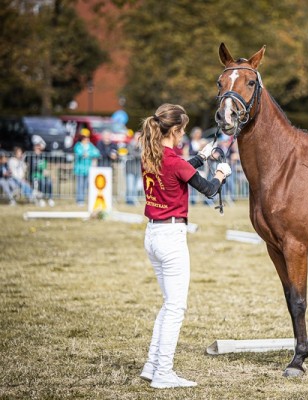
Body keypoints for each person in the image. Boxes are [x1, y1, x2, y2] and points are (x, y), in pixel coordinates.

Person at [139, 103, 231, 389]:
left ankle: (152, 365)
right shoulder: (173, 160)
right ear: (176, 130)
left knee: (169, 305)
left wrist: (200, 158)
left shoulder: (153, 155)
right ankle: (163, 373)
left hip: (154, 235)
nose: (182, 136)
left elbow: (178, 171)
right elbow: (208, 189)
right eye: (182, 131)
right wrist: (222, 172)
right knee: (176, 307)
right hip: (170, 238)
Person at [73, 128, 100, 206]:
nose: (87, 139)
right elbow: (80, 153)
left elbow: (97, 153)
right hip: (80, 169)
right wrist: (88, 154)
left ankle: (85, 199)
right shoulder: (78, 145)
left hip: (88, 169)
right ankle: (80, 200)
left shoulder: (90, 145)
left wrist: (89, 154)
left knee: (86, 185)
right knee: (80, 185)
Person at [28, 135, 54, 207]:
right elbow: (33, 167)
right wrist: (42, 169)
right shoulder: (31, 156)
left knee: (49, 182)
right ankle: (41, 199)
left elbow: (49, 150)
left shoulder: (43, 156)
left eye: (39, 146)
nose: (38, 148)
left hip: (43, 176)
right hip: (35, 176)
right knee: (42, 182)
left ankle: (50, 198)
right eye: (36, 146)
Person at [125, 131, 142, 205]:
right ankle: (129, 199)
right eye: (137, 136)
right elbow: (132, 153)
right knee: (130, 186)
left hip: (137, 169)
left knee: (135, 186)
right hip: (130, 169)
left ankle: (133, 199)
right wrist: (140, 155)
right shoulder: (130, 144)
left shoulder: (142, 145)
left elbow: (144, 154)